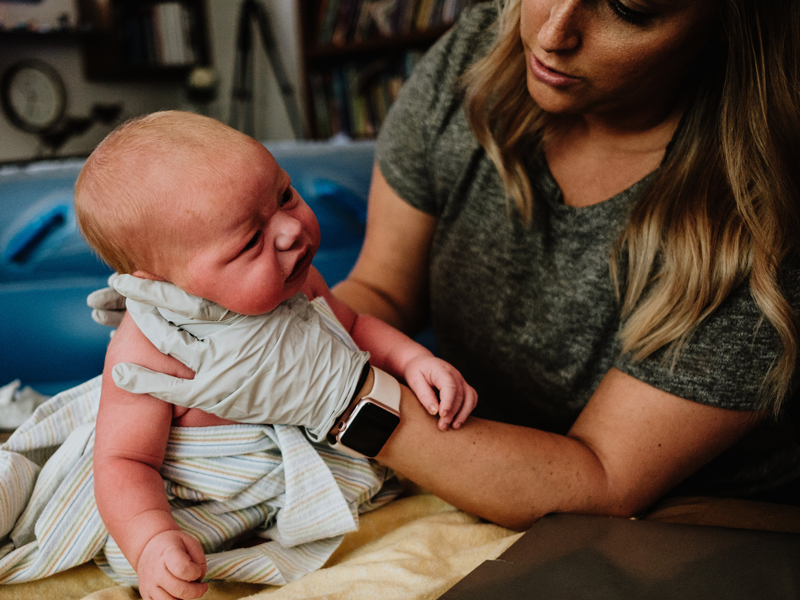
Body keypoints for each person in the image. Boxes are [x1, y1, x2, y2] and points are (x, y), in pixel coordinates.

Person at [91, 0, 800, 535]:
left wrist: (345, 399)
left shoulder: (767, 209)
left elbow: (605, 484)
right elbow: (379, 297)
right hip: (459, 465)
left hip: (693, 523)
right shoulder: (474, 63)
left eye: (629, 9)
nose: (551, 32)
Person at [74, 111, 477, 600]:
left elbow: (352, 325)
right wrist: (152, 541)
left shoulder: (299, 281)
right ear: (158, 282)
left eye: (285, 195)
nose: (289, 231)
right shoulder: (146, 351)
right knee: (132, 547)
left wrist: (414, 361)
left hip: (301, 467)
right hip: (206, 501)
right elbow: (124, 461)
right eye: (249, 240)